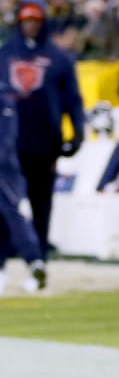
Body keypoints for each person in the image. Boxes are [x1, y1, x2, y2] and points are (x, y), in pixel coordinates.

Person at [0, 0, 84, 259]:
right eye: (27, 20)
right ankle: (8, 247)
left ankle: (39, 246)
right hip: (7, 143)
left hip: (44, 141)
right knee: (6, 199)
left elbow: (73, 100)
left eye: (36, 20)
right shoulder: (4, 55)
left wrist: (77, 133)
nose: (31, 26)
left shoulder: (58, 58)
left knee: (41, 197)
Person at [0, 37, 47, 294]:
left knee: (15, 215)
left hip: (5, 170)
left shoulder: (3, 99)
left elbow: (6, 141)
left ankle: (35, 263)